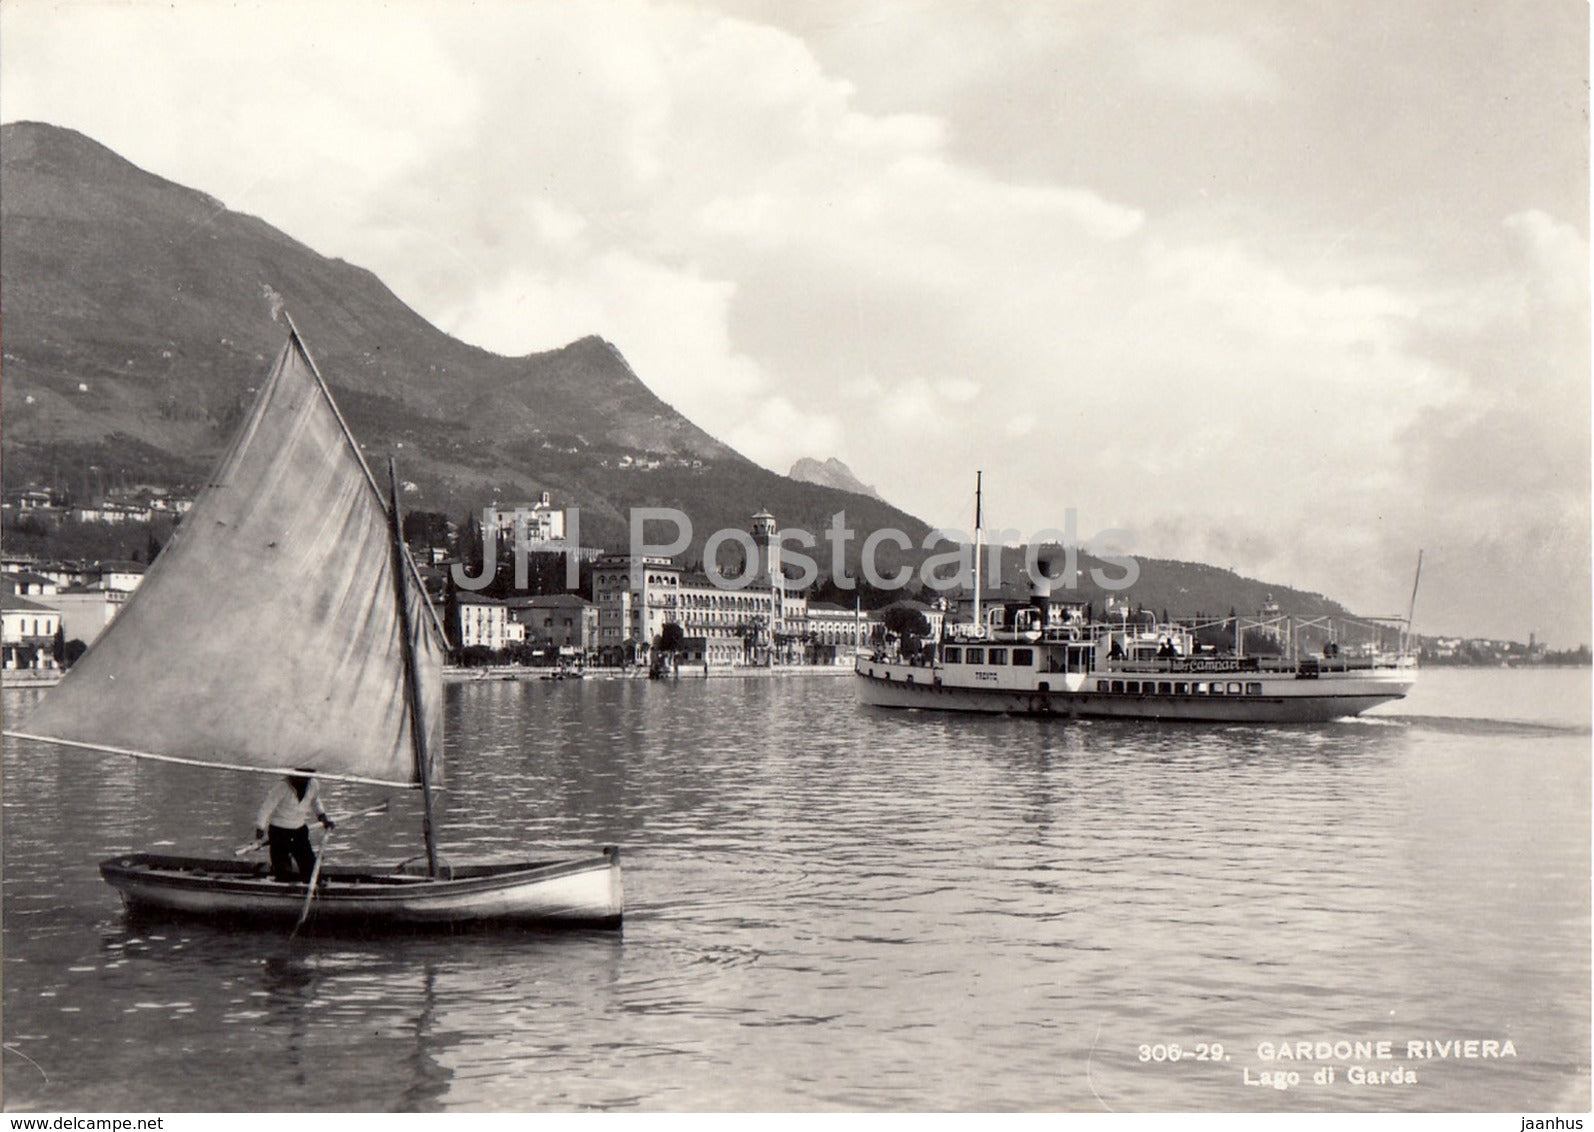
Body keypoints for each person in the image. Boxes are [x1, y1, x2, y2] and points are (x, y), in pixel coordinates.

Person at [254, 771, 333, 882]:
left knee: (310, 867)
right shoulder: (282, 787)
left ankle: (310, 883)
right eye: (299, 776)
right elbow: (266, 807)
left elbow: (315, 801)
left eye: (306, 777)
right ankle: (284, 883)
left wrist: (322, 817)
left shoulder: (313, 784)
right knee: (283, 872)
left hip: (299, 829)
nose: (302, 780)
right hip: (279, 831)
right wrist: (260, 828)